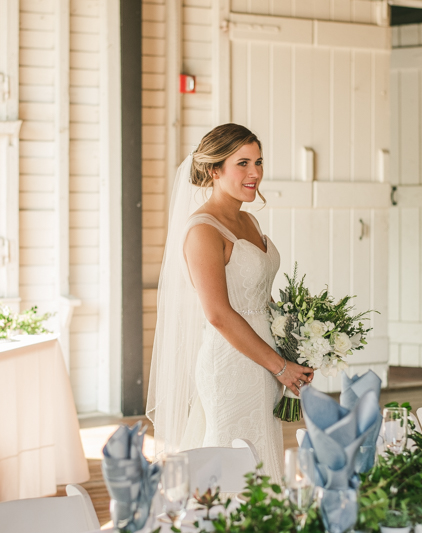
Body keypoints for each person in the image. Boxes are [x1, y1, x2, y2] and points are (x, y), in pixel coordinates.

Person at [146, 123, 313, 480]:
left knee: (263, 455)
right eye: (243, 163)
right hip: (231, 364)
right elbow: (219, 314)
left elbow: (260, 296)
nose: (255, 173)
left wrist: (300, 342)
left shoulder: (249, 221)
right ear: (214, 170)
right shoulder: (203, 230)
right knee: (234, 460)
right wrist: (279, 366)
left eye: (259, 162)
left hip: (265, 361)